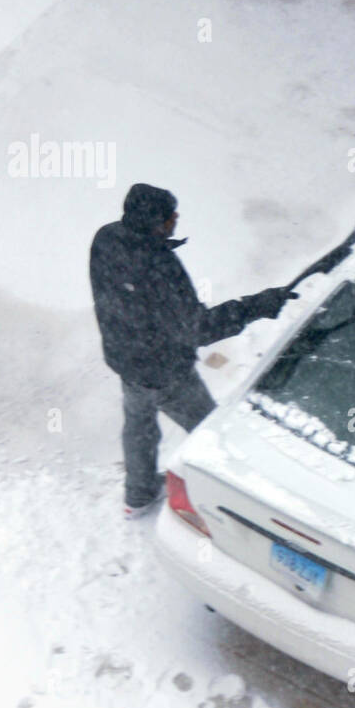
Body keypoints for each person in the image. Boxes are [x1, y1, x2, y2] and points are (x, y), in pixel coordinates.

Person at [90, 184, 295, 518]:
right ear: (155, 222)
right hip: (165, 371)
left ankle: (139, 495)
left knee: (139, 426)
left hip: (125, 359)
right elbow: (198, 328)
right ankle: (235, 500)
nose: (177, 218)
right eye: (171, 215)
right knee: (209, 432)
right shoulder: (159, 267)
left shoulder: (107, 237)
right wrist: (257, 306)